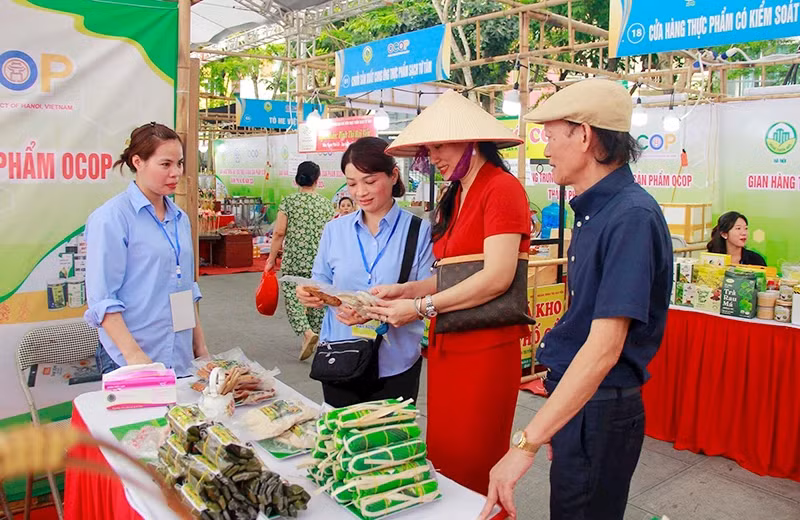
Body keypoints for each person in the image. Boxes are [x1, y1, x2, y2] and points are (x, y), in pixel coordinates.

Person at [478, 79, 673, 520]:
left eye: (549, 135)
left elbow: (603, 349)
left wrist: (525, 443)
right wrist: (559, 419)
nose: (545, 149)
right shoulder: (596, 212)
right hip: (581, 403)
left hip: (601, 407)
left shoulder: (630, 218)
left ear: (584, 136)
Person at [364, 89, 530, 495]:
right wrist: (407, 290)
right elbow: (452, 274)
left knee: (474, 463)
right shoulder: (454, 195)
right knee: (445, 460)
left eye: (439, 145)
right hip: (449, 344)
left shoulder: (502, 188)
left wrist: (421, 307)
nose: (432, 156)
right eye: (429, 148)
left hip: (486, 348)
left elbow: (497, 276)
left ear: (471, 140)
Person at [296, 136, 434, 407]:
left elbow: (430, 287)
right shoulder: (335, 230)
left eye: (369, 181)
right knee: (339, 440)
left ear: (393, 175)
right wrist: (310, 292)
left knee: (390, 442)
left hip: (396, 360)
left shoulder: (418, 231)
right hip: (340, 352)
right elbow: (321, 279)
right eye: (351, 184)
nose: (360, 192)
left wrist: (377, 310)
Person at [85, 122, 208, 375]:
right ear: (138, 162)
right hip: (131, 359)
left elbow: (182, 289)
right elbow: (103, 299)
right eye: (165, 164)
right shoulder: (111, 218)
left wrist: (200, 349)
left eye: (179, 163)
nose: (176, 173)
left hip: (179, 356)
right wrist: (135, 358)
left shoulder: (180, 219)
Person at [266, 161, 334, 360]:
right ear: (317, 180)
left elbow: (279, 232)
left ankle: (306, 333)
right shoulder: (325, 204)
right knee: (316, 297)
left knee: (293, 297)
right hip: (320, 260)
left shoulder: (289, 202)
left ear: (297, 179)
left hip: (295, 258)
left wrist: (271, 258)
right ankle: (316, 336)